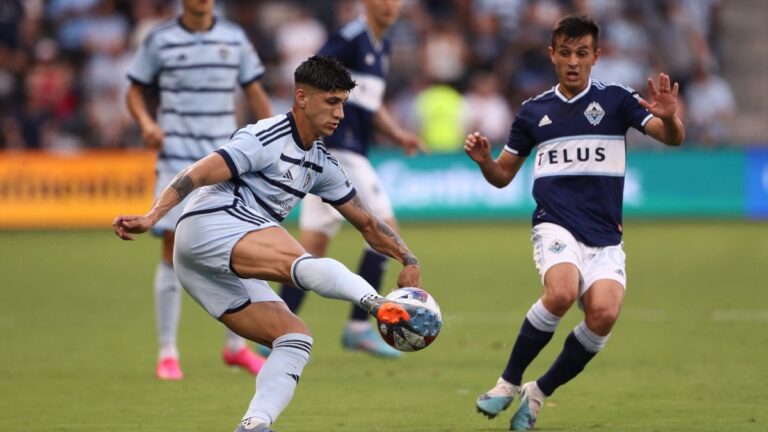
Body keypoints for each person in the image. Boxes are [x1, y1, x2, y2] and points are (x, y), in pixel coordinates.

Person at [113, 55, 439, 432]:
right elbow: (198, 173)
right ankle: (375, 304)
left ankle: (255, 424)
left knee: (294, 338)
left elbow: (366, 222)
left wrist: (407, 258)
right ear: (302, 98)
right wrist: (153, 216)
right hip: (211, 225)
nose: (340, 114)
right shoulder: (264, 137)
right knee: (301, 260)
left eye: (343, 104)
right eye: (331, 102)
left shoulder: (321, 163)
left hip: (204, 269)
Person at [465, 14, 684, 430]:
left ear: (596, 56)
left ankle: (538, 392)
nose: (573, 61)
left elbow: (672, 137)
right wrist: (484, 163)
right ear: (552, 55)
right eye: (564, 53)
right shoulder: (533, 112)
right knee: (562, 292)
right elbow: (503, 176)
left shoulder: (618, 100)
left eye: (582, 53)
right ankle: (507, 383)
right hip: (555, 223)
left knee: (603, 315)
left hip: (604, 236)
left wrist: (671, 117)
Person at [125, 0, 272, 379]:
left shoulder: (234, 37)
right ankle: (168, 352)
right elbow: (134, 92)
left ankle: (236, 348)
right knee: (171, 247)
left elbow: (254, 92)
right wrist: (145, 123)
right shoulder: (160, 39)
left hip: (224, 159)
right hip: (176, 157)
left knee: (240, 244)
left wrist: (273, 137)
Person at [276, 0, 426, 358]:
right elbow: (308, 78)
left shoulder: (381, 43)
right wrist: (308, 134)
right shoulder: (349, 38)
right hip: (339, 150)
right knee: (385, 229)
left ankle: (277, 329)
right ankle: (359, 327)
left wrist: (397, 133)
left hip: (335, 152)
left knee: (311, 249)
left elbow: (370, 105)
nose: (390, 5)